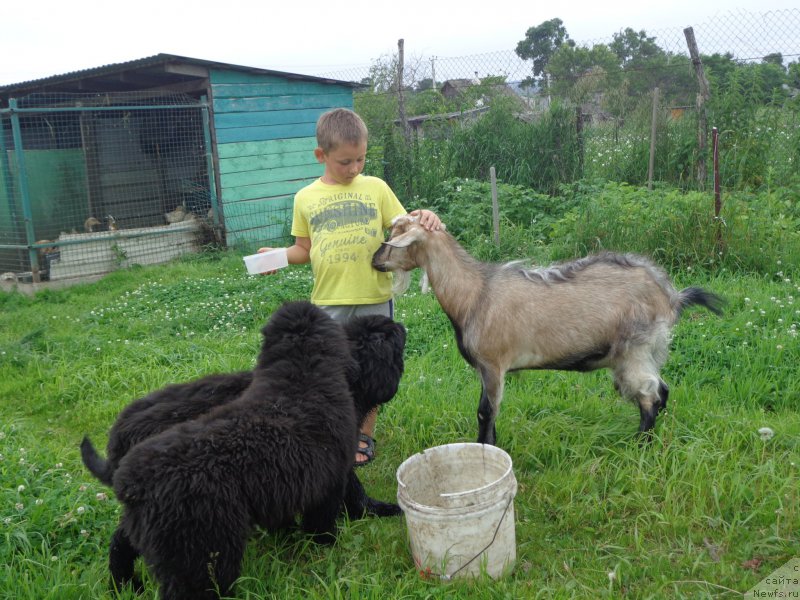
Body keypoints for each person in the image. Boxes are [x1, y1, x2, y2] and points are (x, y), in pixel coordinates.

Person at [258, 107, 441, 466]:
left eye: (360, 159)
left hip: (374, 297)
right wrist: (278, 256)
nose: (355, 168)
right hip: (329, 301)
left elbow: (403, 227)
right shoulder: (305, 198)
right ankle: (329, 432)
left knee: (371, 370)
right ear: (321, 155)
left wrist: (424, 216)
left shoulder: (376, 188)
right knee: (328, 369)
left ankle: (362, 436)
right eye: (345, 161)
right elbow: (303, 250)